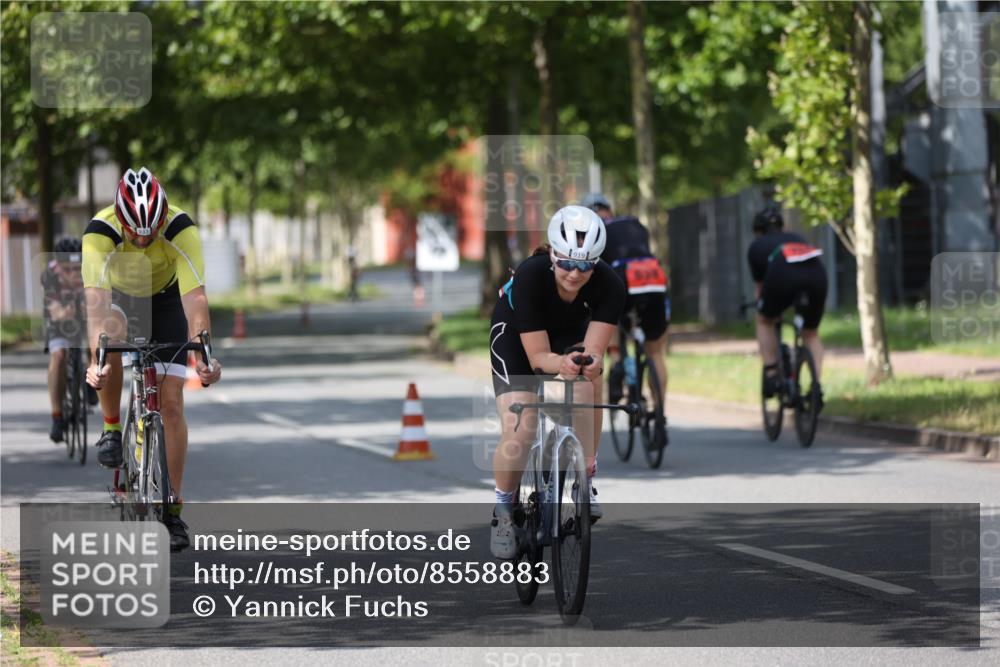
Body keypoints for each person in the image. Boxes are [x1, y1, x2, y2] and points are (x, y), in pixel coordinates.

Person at [83, 167, 223, 551]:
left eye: (151, 231)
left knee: (173, 403)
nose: (143, 239)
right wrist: (97, 360)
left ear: (162, 217)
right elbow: (95, 302)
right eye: (135, 233)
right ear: (121, 221)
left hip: (164, 299)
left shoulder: (181, 229)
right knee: (108, 345)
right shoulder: (100, 233)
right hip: (119, 297)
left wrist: (205, 357)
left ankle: (173, 514)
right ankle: (112, 428)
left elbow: (194, 298)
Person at [488, 205, 625, 559]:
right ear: (552, 254)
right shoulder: (532, 275)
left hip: (567, 331)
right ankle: (503, 511)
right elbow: (537, 359)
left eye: (585, 265)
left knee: (585, 383)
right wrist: (560, 364)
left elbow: (595, 350)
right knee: (523, 426)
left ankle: (586, 477)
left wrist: (587, 364)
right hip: (517, 336)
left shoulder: (609, 284)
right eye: (566, 263)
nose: (574, 274)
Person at [581, 193, 670, 445]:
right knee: (655, 353)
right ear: (610, 209)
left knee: (606, 312)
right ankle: (660, 411)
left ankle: (618, 360)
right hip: (652, 275)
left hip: (622, 275)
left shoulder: (593, 231)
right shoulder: (633, 222)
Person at [746, 205, 828, 399]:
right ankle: (816, 385)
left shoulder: (756, 246)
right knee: (811, 333)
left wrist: (767, 308)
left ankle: (772, 372)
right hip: (817, 274)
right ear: (782, 227)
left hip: (781, 273)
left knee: (764, 320)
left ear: (758, 231)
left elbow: (761, 289)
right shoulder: (797, 238)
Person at [42, 237, 89, 442]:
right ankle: (57, 416)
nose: (73, 273)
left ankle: (90, 380)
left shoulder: (90, 269)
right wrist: (64, 313)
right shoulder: (49, 274)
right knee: (59, 356)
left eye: (77, 268)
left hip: (82, 311)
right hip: (58, 316)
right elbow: (55, 311)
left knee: (96, 340)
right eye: (67, 268)